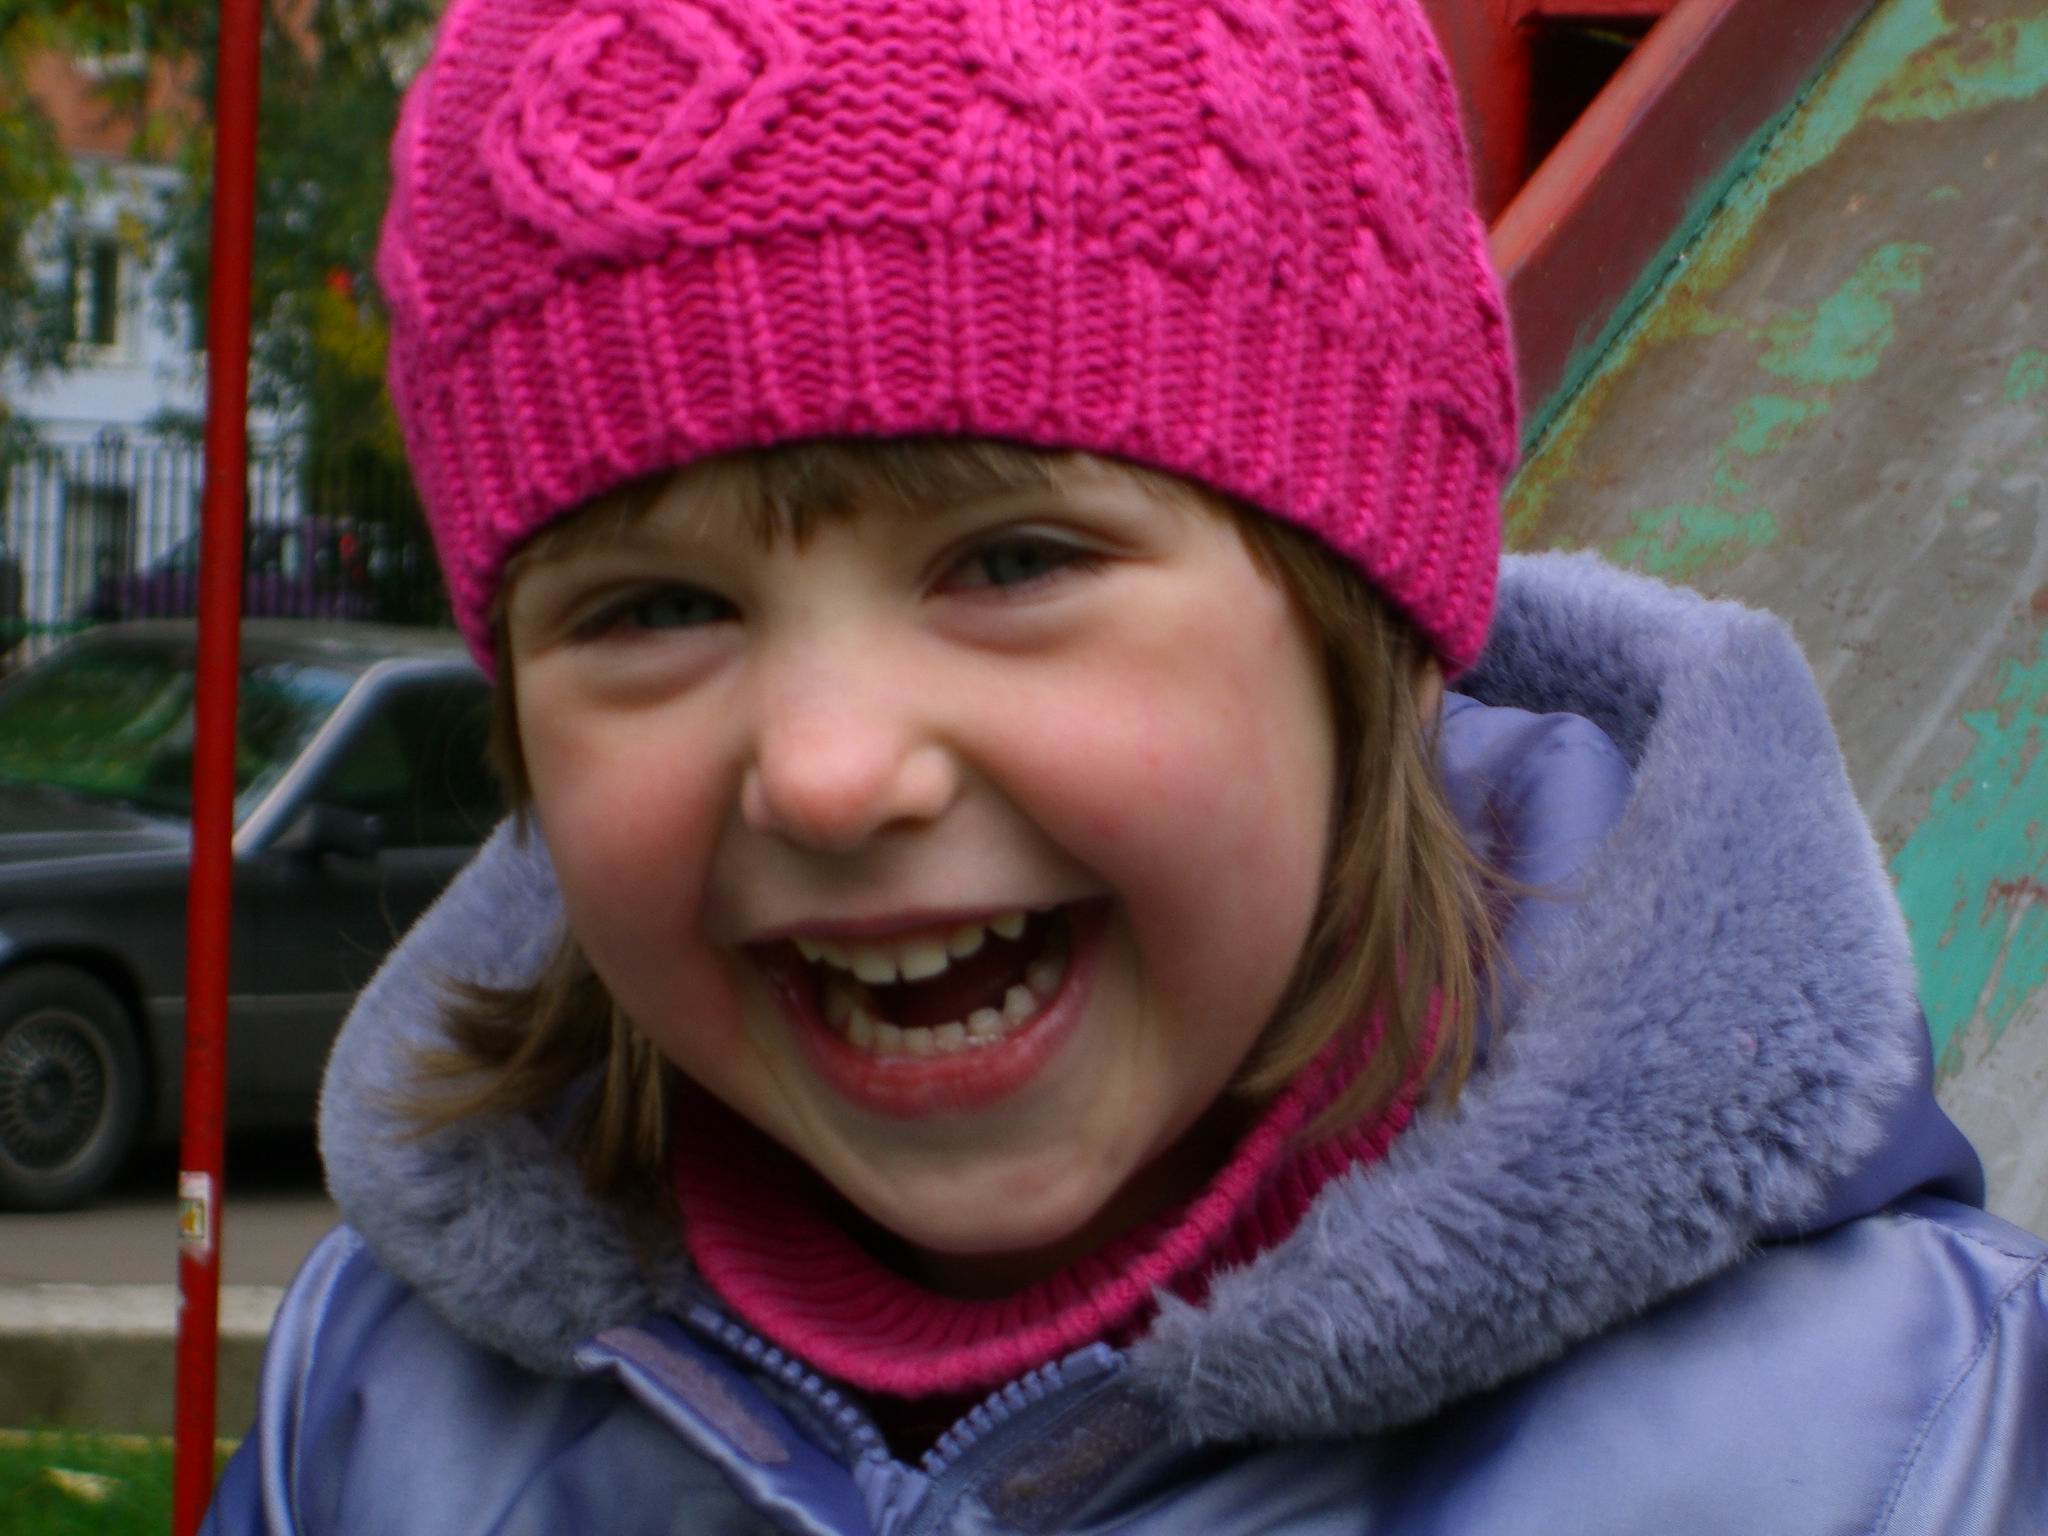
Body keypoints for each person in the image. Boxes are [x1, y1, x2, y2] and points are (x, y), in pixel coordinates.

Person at [205, 0, 2048, 1529]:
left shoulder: (1900, 1442)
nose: (830, 775)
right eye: (654, 610)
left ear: (1372, 624)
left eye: (1012, 563)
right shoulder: (385, 1408)